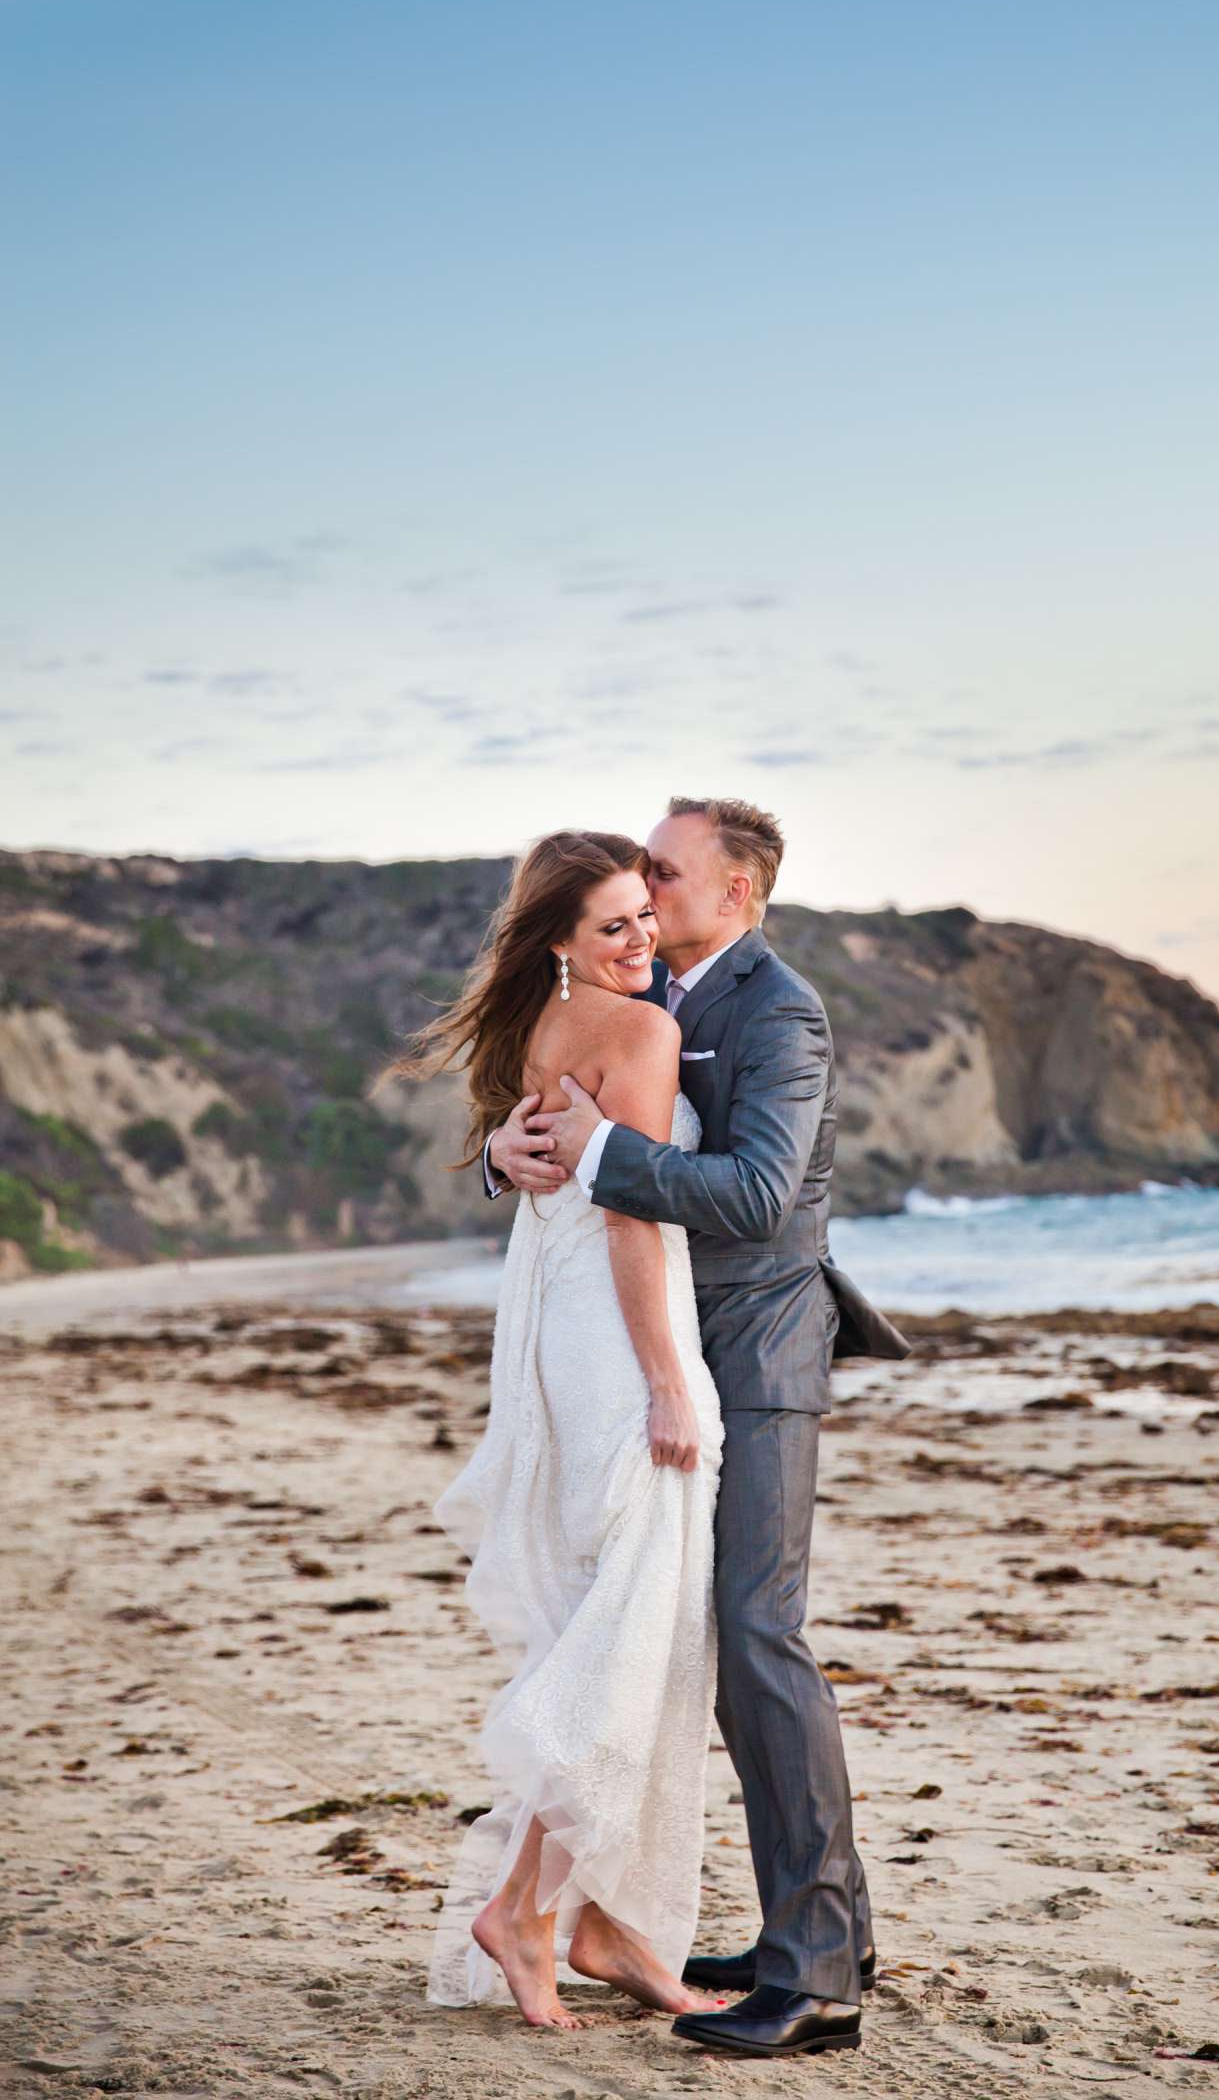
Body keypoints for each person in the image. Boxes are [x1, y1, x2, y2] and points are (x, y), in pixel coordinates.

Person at [486, 796, 909, 2061]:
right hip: (656, 1347)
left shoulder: (776, 1009)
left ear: (739, 894)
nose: (646, 889)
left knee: (754, 1638)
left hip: (759, 1352)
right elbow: (557, 1122)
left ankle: (817, 1972)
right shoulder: (642, 991)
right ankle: (810, 1933)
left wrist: (600, 1151)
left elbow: (760, 1192)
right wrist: (514, 1153)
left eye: (666, 873)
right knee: (685, 1639)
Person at [392, 830, 725, 2030]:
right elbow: (634, 1219)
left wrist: (499, 1152)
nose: (642, 941)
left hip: (557, 1336)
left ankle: (597, 1916)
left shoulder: (544, 1022)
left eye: (646, 915)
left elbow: (553, 1164)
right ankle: (528, 1914)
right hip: (621, 1340)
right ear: (560, 944)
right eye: (615, 927)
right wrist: (667, 1385)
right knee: (633, 1630)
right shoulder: (640, 1031)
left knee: (620, 1619)